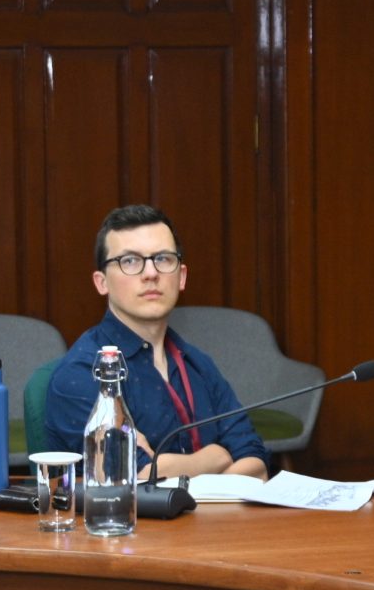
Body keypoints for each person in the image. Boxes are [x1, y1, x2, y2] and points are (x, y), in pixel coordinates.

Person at [40, 204, 273, 479]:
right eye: (129, 261)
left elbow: (256, 462)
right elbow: (133, 479)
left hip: (213, 510)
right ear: (101, 282)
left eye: (162, 259)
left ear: (181, 277)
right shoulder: (84, 372)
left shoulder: (198, 364)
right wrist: (217, 456)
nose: (150, 273)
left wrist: (169, 468)